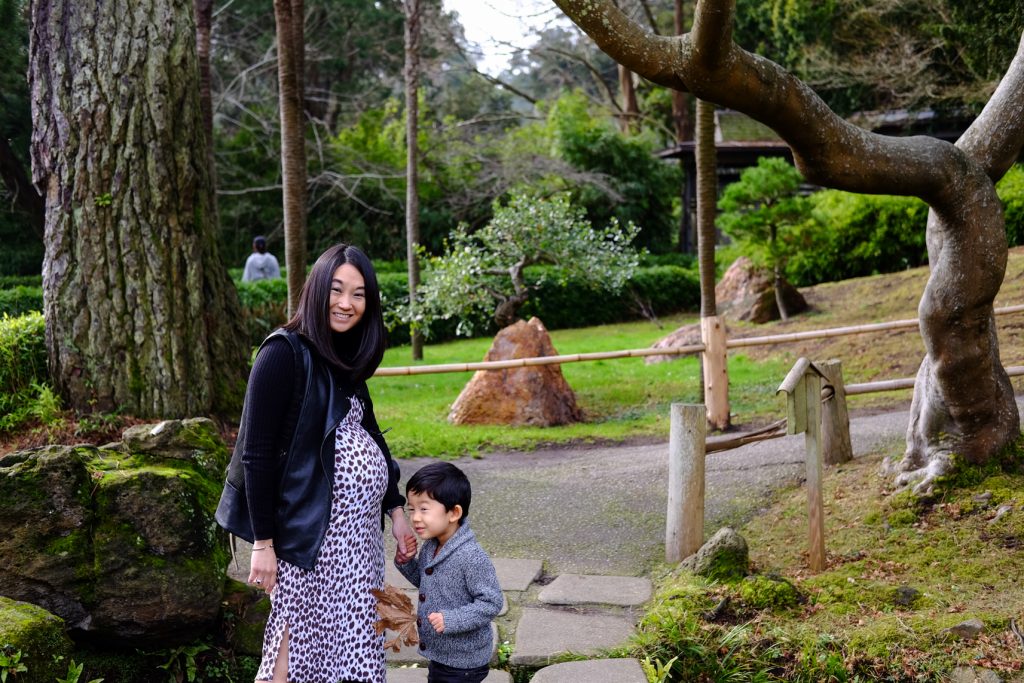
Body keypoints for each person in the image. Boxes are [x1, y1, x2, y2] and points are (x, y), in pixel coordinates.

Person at [220, 243, 417, 683]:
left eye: (359, 294)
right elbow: (256, 454)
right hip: (306, 546)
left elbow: (373, 439)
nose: (347, 303)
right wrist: (263, 544)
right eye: (337, 289)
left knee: (353, 655)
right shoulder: (283, 353)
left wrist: (396, 510)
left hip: (358, 550)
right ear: (316, 289)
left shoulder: (344, 363)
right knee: (294, 654)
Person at [395, 462, 503, 683]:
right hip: (442, 656)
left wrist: (452, 619)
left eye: (424, 509)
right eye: (411, 509)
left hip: (464, 662)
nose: (415, 517)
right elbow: (429, 582)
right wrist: (406, 563)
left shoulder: (470, 555)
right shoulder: (432, 546)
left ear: (454, 513)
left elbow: (491, 602)